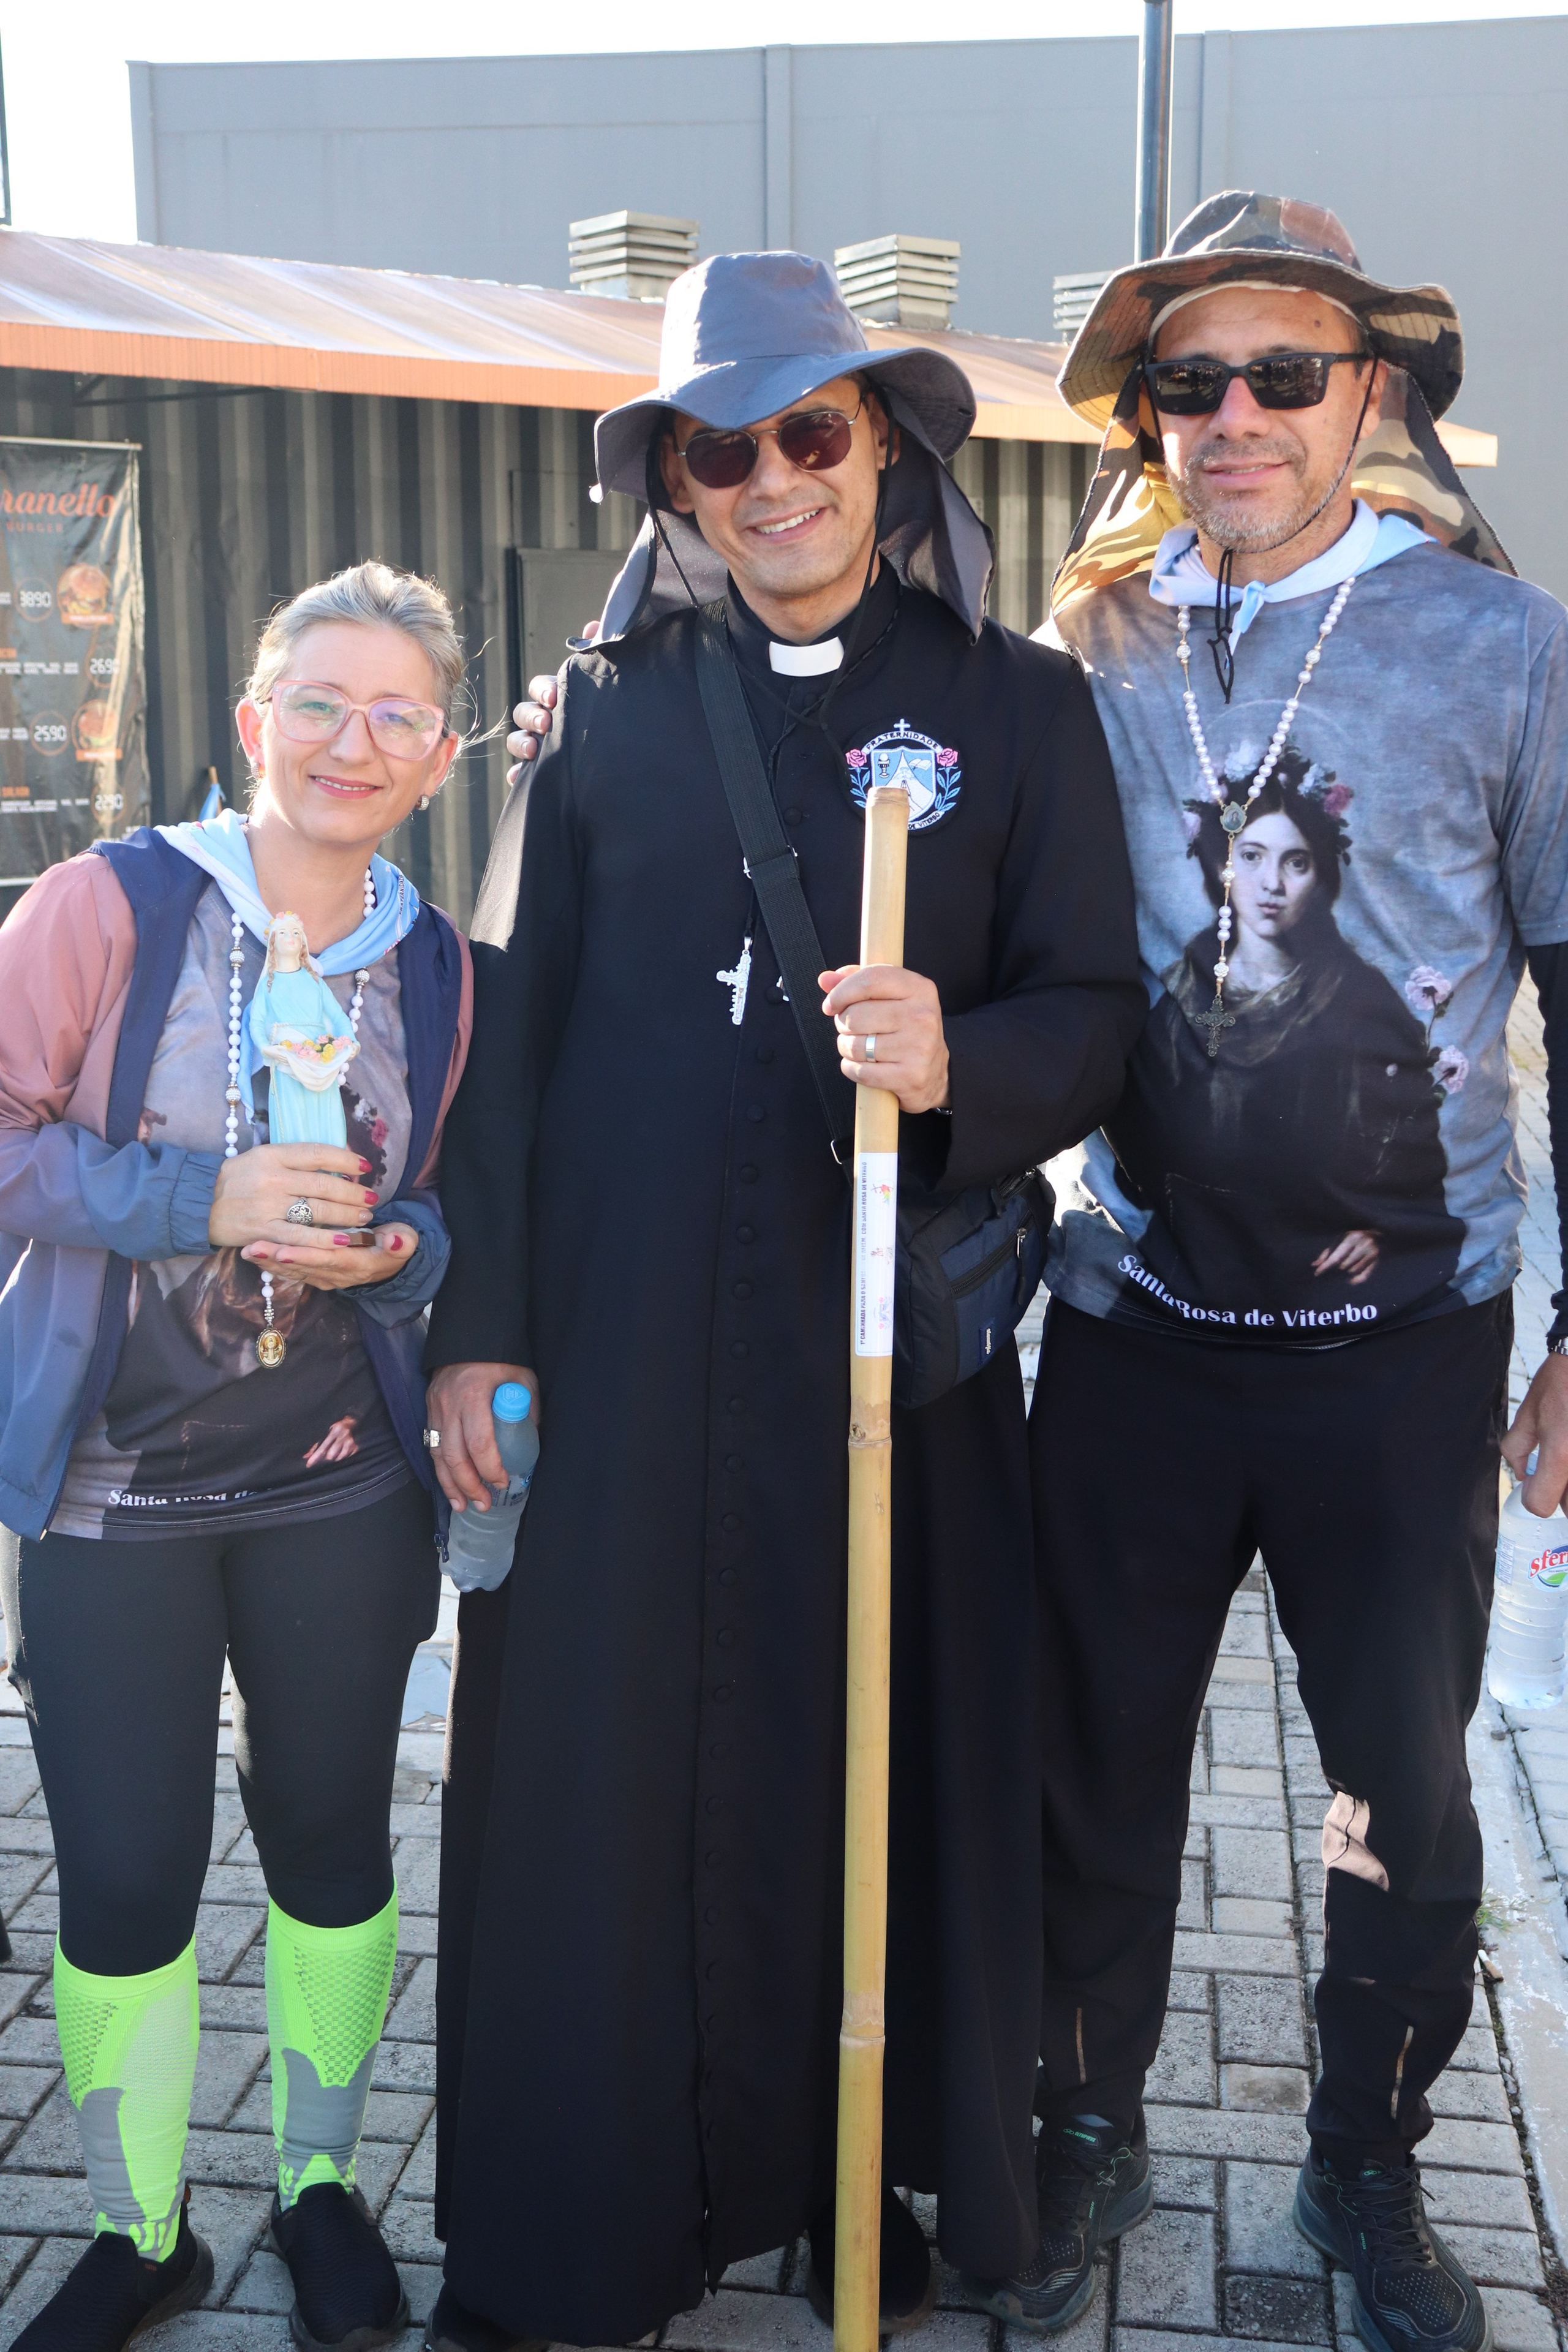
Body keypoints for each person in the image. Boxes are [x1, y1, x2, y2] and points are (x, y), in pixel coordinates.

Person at [421, 250, 1144, 2352]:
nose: (771, 484)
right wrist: (482, 1323)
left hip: (885, 1372)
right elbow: (509, 1033)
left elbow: (1096, 1010)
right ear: (678, 487)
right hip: (636, 1361)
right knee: (592, 1776)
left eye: (810, 433)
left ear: (889, 445)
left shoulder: (1018, 708)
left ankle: (858, 2191)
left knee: (888, 1772)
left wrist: (964, 1065)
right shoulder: (613, 718)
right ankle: (589, 2225)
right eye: (719, 451)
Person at [1007, 192, 1567, 2352]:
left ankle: (1368, 2163)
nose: (1231, 415)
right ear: (1145, 419)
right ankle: (1084, 2130)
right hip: (1136, 1326)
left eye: (1280, 374)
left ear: (1375, 396)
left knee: (1395, 1788)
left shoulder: (1503, 650)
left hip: (1401, 1353)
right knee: (1095, 1766)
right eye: (1187, 382)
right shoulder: (1100, 643)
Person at [0, 561, 473, 2352]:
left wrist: (399, 1252)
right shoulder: (110, 904)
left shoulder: (436, 960)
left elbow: (440, 1207)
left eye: (398, 714)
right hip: (116, 1497)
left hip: (337, 1487)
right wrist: (192, 1196)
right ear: (250, 724)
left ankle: (322, 2189)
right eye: (321, 704)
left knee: (334, 1845)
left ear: (440, 753)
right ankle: (140, 2236)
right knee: (125, 1875)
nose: (355, 742)